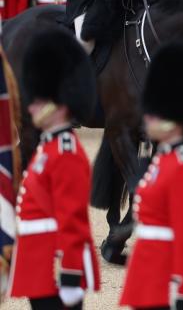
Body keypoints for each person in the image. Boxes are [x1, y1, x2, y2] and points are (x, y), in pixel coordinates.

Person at [8, 29, 101, 308]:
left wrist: (71, 277)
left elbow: (72, 220)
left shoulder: (65, 152)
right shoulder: (48, 148)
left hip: (54, 269)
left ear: (60, 105)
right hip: (39, 265)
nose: (32, 106)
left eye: (39, 101)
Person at [119, 43, 183, 310]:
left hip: (164, 284)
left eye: (155, 112)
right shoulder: (164, 159)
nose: (147, 118)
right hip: (148, 279)